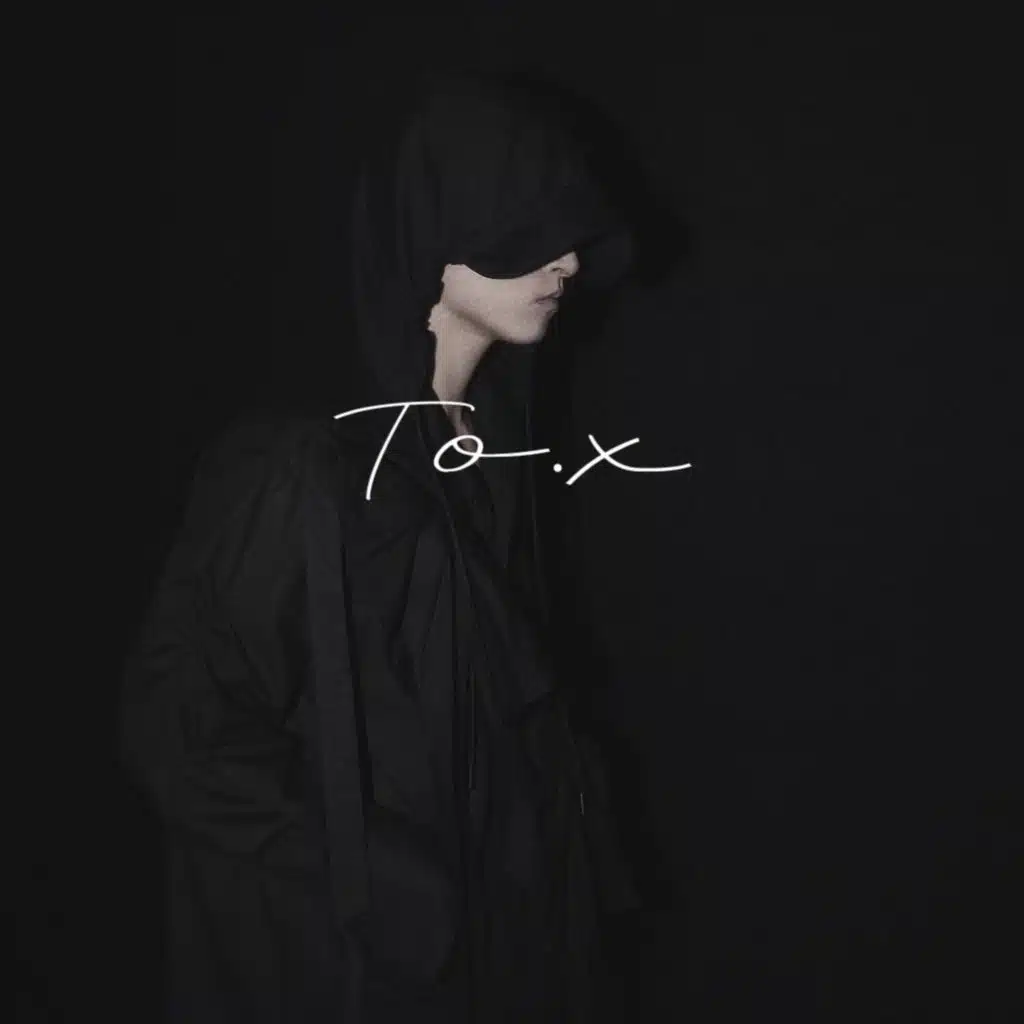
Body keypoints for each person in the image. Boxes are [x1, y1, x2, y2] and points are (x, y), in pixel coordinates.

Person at [119, 66, 639, 1023]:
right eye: (528, 223)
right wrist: (375, 882)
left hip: (511, 949)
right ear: (438, 225)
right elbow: (179, 728)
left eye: (571, 229)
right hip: (376, 973)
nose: (567, 258)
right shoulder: (301, 467)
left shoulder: (492, 454)